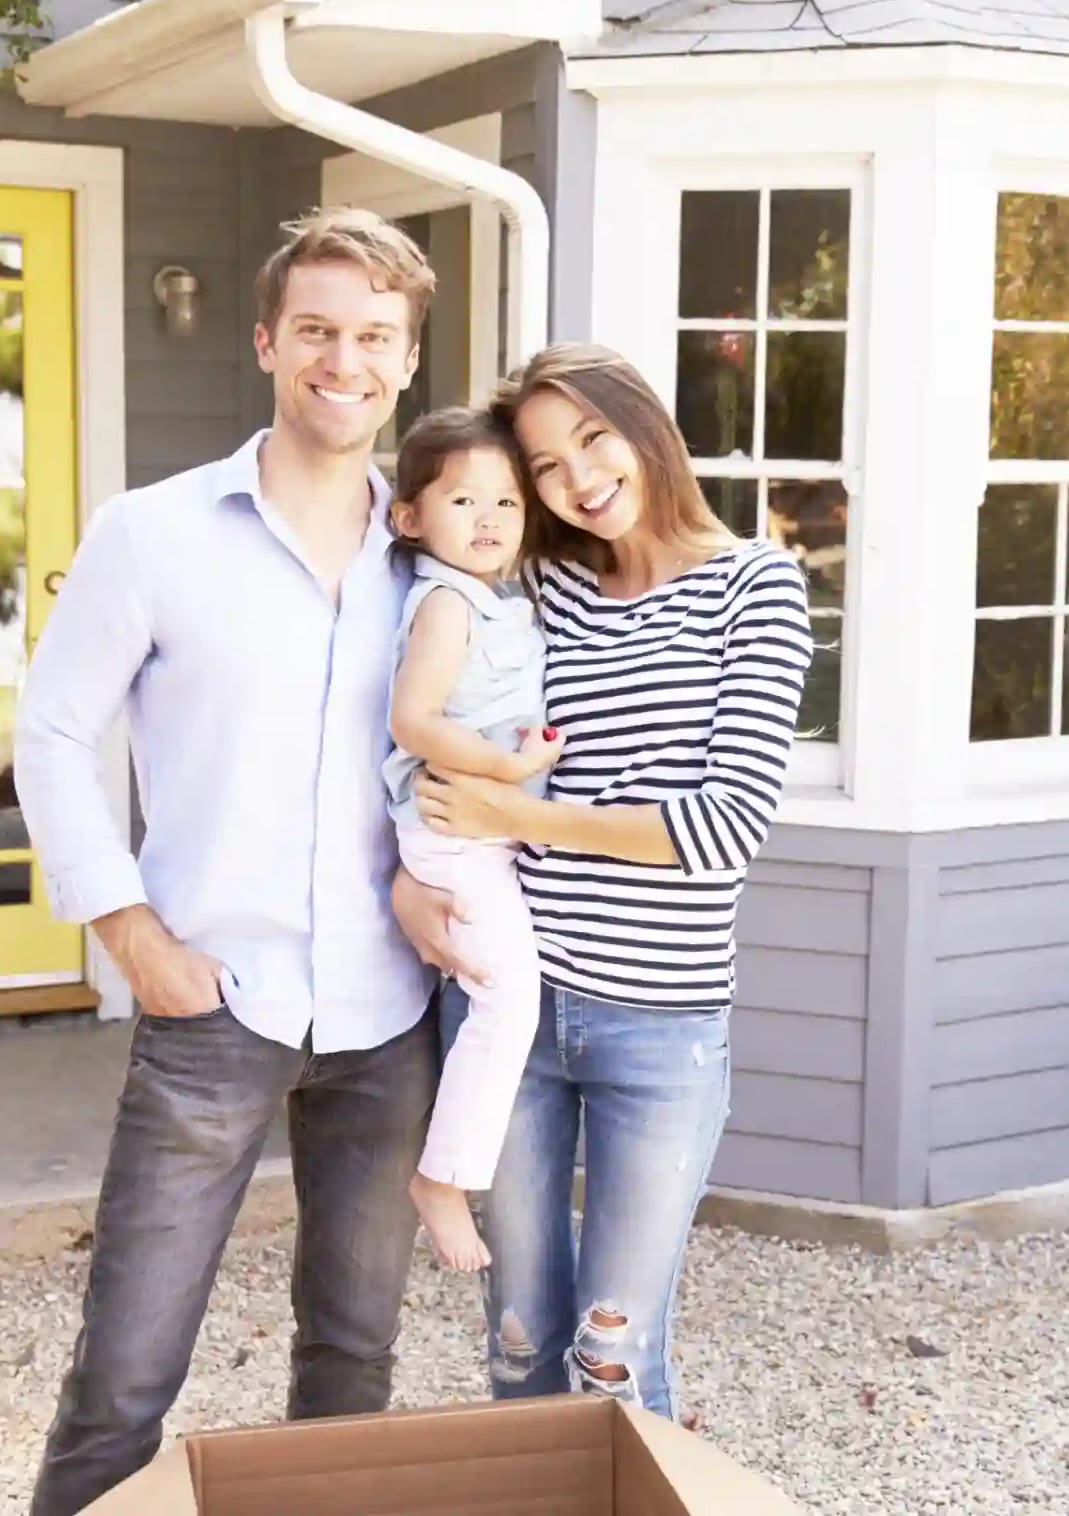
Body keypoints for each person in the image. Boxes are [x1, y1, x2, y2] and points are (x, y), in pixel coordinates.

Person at [14, 207, 440, 1516]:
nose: (343, 360)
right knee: (127, 1376)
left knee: (354, 1357)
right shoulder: (153, 533)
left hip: (389, 1012)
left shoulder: (436, 556)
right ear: (267, 341)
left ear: (409, 361)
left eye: (375, 336)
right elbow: (50, 728)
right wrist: (127, 930)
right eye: (317, 329)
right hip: (212, 1005)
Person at [392, 343, 814, 1424]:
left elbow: (724, 827)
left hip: (661, 1031)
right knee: (518, 1337)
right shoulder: (543, 586)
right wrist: (407, 884)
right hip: (511, 1007)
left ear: (645, 424)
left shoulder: (756, 585)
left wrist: (516, 815)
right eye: (542, 465)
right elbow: (412, 662)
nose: (575, 479)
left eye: (591, 439)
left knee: (614, 1350)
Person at [379, 406, 559, 1273]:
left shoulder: (501, 600)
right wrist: (506, 769)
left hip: (483, 831)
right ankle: (442, 1179)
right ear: (410, 516)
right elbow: (412, 720)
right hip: (454, 830)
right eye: (462, 502)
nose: (489, 521)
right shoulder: (446, 604)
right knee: (506, 1000)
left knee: (502, 995)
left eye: (507, 503)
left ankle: (449, 1171)